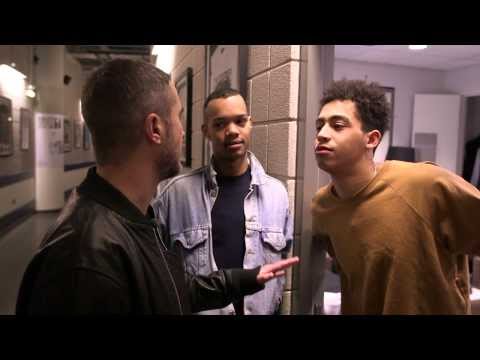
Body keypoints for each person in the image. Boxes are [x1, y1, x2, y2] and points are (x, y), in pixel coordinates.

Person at [15, 59, 298, 315]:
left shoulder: (131, 220)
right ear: (155, 129)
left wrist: (242, 279)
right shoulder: (84, 259)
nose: (183, 130)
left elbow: (166, 291)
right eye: (178, 116)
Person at [311, 79, 480, 314]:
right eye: (319, 126)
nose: (322, 134)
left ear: (371, 139)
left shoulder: (425, 184)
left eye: (337, 125)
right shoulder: (322, 207)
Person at [152, 88, 293, 315]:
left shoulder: (277, 195)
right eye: (220, 124)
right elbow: (159, 280)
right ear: (206, 131)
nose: (232, 131)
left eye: (240, 121)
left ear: (250, 123)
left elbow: (280, 277)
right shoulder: (173, 195)